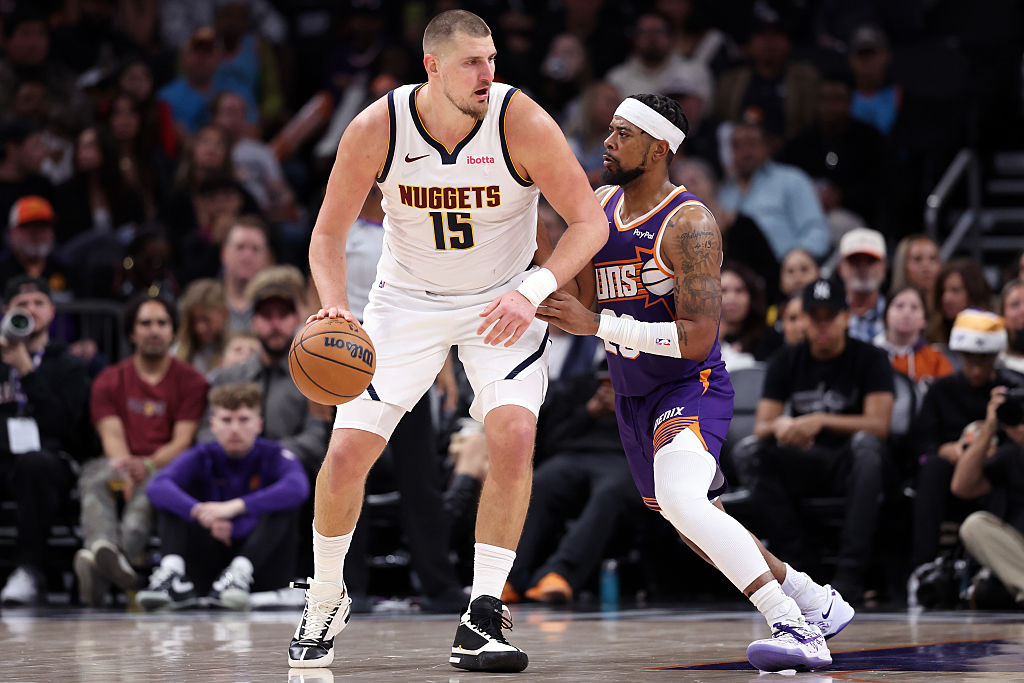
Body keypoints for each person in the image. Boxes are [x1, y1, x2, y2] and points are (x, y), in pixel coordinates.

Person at [286, 10, 608, 673]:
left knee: (514, 433)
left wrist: (536, 286)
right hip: (405, 302)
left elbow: (587, 221)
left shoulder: (521, 120)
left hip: (502, 299)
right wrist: (336, 307)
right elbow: (326, 234)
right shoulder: (380, 125)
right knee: (346, 452)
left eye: (491, 59)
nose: (488, 73)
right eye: (472, 62)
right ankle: (324, 596)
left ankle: (482, 614)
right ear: (432, 66)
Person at [538, 94, 850, 672]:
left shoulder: (691, 224)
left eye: (622, 133)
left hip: (690, 384)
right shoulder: (598, 205)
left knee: (684, 502)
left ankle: (794, 624)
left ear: (659, 149)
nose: (607, 141)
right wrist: (534, 228)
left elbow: (699, 337)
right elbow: (578, 303)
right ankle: (814, 598)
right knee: (694, 525)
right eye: (608, 130)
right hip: (632, 394)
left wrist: (596, 323)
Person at [745, 278, 894, 602]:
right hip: (806, 459)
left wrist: (820, 421)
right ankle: (800, 570)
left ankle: (849, 575)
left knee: (868, 450)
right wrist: (783, 425)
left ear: (846, 316)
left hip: (849, 461)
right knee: (758, 456)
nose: (823, 325)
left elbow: (879, 425)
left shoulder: (871, 358)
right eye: (815, 317)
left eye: (831, 316)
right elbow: (762, 426)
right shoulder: (786, 359)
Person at [75, 294, 209, 606]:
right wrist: (124, 467)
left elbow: (182, 440)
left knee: (154, 486)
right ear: (132, 333)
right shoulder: (109, 380)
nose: (154, 330)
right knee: (94, 478)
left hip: (164, 465)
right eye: (145, 323)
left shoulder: (192, 381)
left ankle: (102, 562)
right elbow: (111, 433)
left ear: (174, 332)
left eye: (162, 323)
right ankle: (106, 552)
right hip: (118, 462)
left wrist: (147, 466)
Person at [141, 382, 309, 611]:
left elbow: (298, 487)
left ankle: (239, 574)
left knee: (284, 503)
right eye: (226, 420)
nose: (235, 429)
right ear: (213, 425)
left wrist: (234, 508)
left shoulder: (275, 454)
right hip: (211, 556)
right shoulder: (201, 455)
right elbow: (157, 486)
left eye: (243, 420)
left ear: (259, 424)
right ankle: (172, 575)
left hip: (260, 562)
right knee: (173, 499)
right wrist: (200, 513)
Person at [910, 309, 1024, 572]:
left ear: (995, 357)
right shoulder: (940, 390)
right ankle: (923, 568)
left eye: (983, 360)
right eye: (970, 360)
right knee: (932, 468)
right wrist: (949, 449)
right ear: (960, 356)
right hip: (952, 472)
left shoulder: (1013, 389)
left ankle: (991, 565)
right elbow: (921, 445)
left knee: (1004, 467)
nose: (975, 369)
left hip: (996, 473)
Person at [0, 276, 91, 605]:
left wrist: (27, 371)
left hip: (50, 461)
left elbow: (63, 425)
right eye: (21, 305)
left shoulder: (70, 366)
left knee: (34, 464)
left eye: (38, 303)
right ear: (6, 311)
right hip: (4, 457)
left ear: (52, 311)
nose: (31, 310)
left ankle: (29, 570)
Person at [951, 385, 1024, 607]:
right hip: (1019, 552)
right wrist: (990, 427)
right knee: (975, 525)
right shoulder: (1013, 454)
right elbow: (962, 487)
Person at [874, 286, 954, 390]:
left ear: (924, 320)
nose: (906, 313)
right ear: (886, 315)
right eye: (899, 306)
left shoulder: (936, 359)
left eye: (914, 307)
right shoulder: (870, 355)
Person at [835, 227, 888, 343]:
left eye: (870, 261)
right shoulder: (830, 315)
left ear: (884, 267)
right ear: (840, 268)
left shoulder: (897, 315)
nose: (863, 268)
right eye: (854, 261)